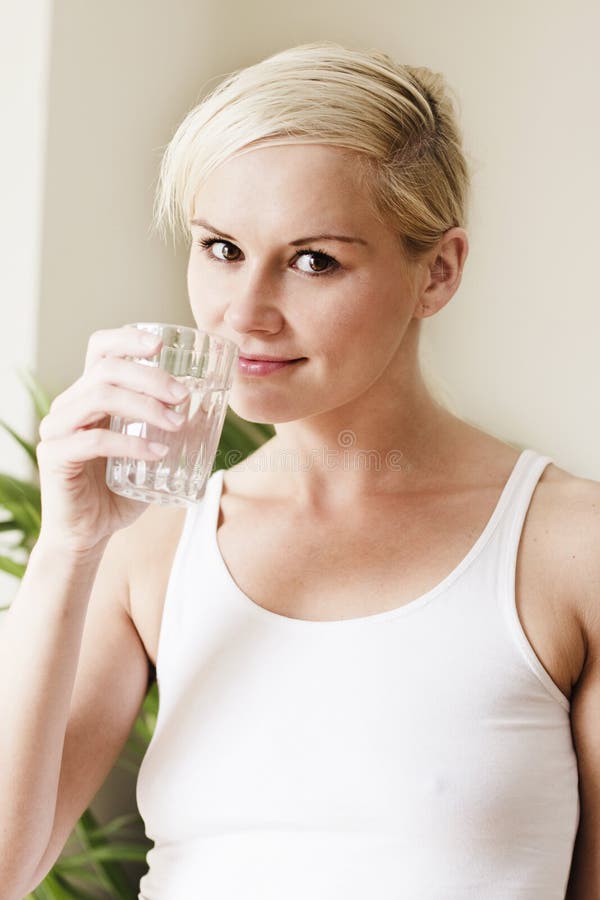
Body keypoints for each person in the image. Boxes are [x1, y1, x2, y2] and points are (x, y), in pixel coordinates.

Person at [0, 41, 597, 900]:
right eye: (220, 248)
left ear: (438, 272)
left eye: (313, 260)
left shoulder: (569, 548)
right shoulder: (150, 550)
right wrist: (67, 546)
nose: (245, 314)